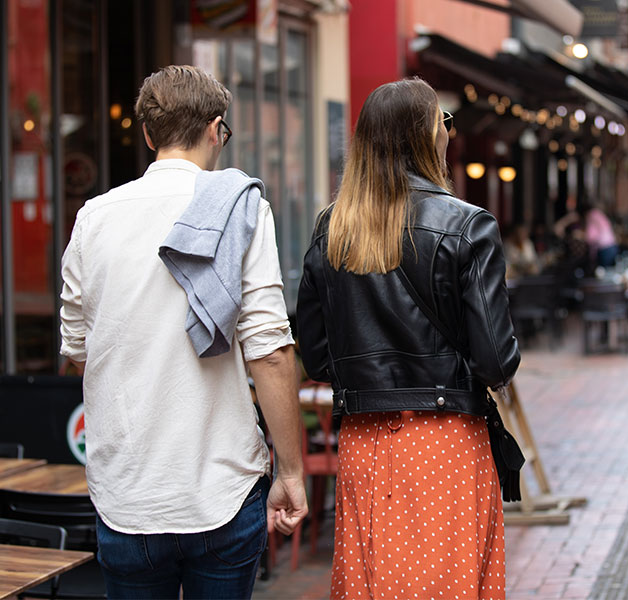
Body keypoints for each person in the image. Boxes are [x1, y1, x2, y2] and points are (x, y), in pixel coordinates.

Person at [59, 65, 307, 598]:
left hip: (127, 493)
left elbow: (78, 347)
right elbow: (268, 350)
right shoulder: (245, 209)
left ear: (148, 135)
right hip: (222, 485)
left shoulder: (93, 219)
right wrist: (290, 470)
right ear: (217, 129)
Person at [296, 78, 520, 599]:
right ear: (428, 135)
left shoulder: (332, 230)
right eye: (444, 121)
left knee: (372, 582)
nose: (448, 132)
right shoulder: (466, 226)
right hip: (443, 439)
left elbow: (317, 354)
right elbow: (496, 361)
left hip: (362, 439)